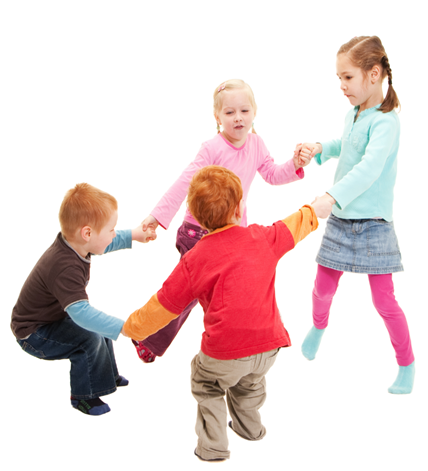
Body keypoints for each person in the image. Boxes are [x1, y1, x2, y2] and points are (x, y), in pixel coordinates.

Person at [123, 165, 332, 461]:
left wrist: (131, 327)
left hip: (224, 354)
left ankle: (213, 447)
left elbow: (163, 305)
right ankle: (250, 428)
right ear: (238, 209)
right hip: (269, 347)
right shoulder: (262, 236)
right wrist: (316, 208)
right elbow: (294, 224)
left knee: (205, 382)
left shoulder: (195, 259)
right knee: (250, 384)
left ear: (197, 217)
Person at [134, 78, 310, 363]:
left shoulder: (256, 144)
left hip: (232, 235)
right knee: (187, 292)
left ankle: (237, 346)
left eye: (244, 111)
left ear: (254, 112)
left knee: (228, 293)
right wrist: (156, 217)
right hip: (198, 233)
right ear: (217, 117)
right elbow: (184, 182)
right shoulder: (211, 148)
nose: (238, 117)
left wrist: (295, 165)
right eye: (229, 112)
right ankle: (148, 336)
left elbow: (273, 174)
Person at [298, 36, 415, 394]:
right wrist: (321, 148)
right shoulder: (354, 113)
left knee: (384, 300)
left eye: (347, 77)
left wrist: (331, 196)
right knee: (322, 289)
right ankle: (319, 326)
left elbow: (368, 168)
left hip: (374, 225)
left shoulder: (386, 122)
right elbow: (346, 146)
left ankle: (406, 364)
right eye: (339, 78)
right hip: (342, 221)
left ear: (373, 74)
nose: (342, 85)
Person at [11, 183, 155, 415]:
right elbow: (81, 314)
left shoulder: (77, 243)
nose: (113, 234)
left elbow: (105, 242)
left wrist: (135, 235)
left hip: (53, 319)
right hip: (34, 333)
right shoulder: (64, 266)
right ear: (87, 233)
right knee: (90, 338)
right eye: (111, 229)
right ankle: (83, 396)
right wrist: (125, 327)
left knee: (101, 329)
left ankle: (106, 376)